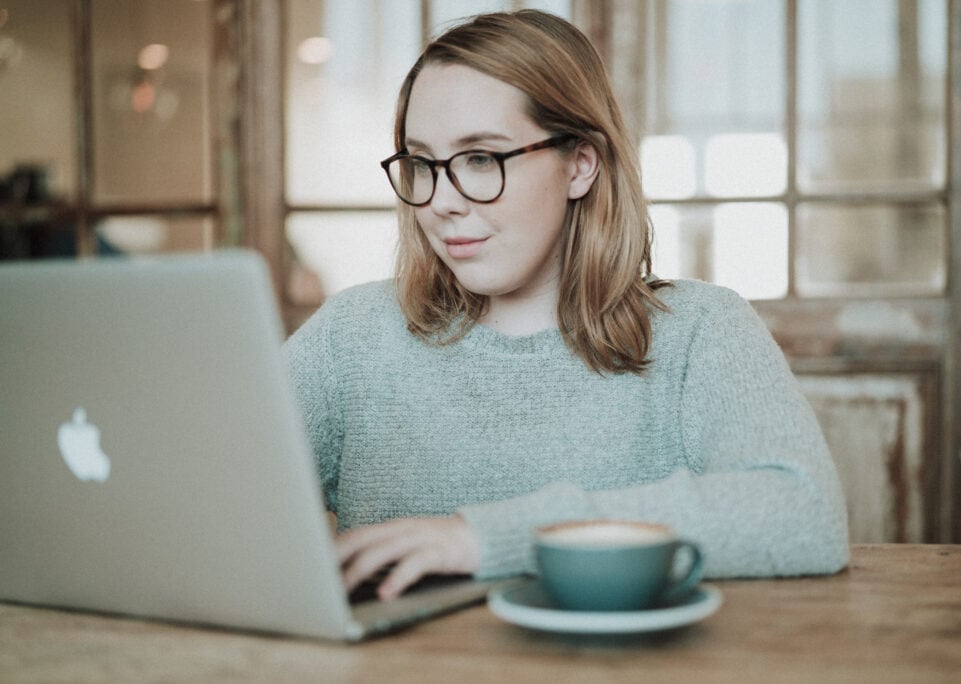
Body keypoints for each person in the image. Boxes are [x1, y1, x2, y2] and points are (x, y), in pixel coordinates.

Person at [285, 9, 849, 602]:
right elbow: (202, 490)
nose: (441, 201)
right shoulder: (352, 337)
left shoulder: (701, 332)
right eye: (423, 163)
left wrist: (484, 539)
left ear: (580, 164)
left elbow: (803, 513)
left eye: (481, 158)